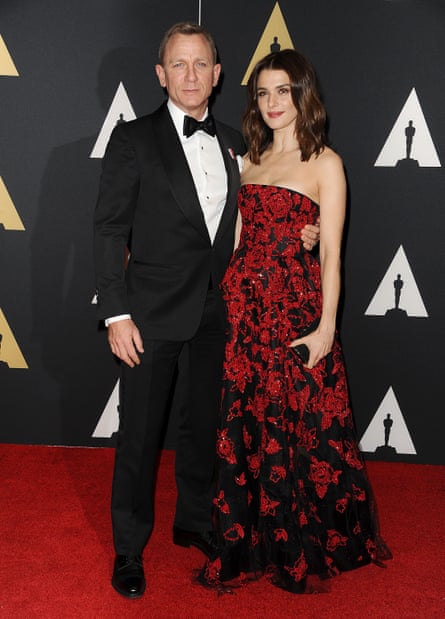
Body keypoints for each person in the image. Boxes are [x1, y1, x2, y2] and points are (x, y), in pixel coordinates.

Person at [93, 24, 319, 599]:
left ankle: (194, 521)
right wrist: (116, 313)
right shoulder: (133, 139)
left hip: (222, 316)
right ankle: (128, 549)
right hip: (147, 318)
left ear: (218, 76)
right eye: (179, 64)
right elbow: (108, 230)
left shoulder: (236, 144)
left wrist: (303, 233)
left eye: (202, 65)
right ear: (160, 74)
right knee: (140, 437)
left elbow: (262, 218)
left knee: (203, 433)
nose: (191, 75)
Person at [199, 48, 391, 594]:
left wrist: (327, 327)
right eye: (262, 93)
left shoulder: (326, 162)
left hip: (293, 311)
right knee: (249, 423)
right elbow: (237, 239)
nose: (271, 102)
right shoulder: (249, 159)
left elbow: (331, 253)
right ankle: (248, 535)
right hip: (245, 312)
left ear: (303, 93)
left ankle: (299, 542)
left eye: (282, 90)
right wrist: (226, 302)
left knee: (297, 424)